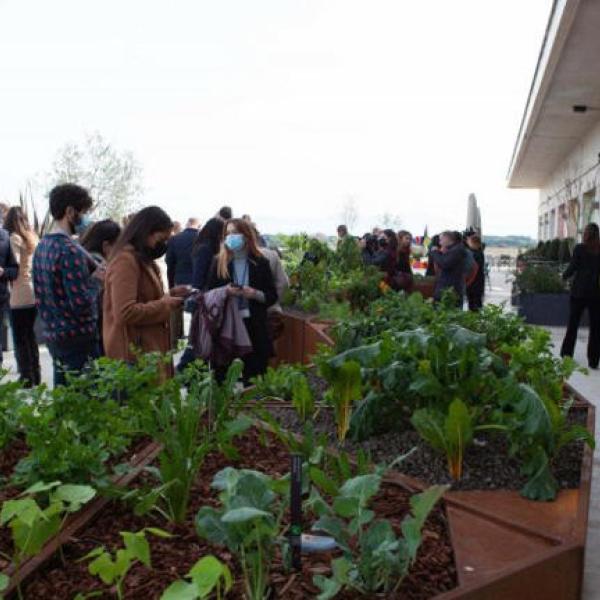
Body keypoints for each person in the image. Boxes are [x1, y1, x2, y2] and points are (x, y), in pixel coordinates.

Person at [103, 207, 187, 375]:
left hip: (148, 352)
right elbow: (125, 312)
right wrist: (165, 304)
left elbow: (144, 298)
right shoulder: (125, 262)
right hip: (135, 356)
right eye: (161, 239)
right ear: (146, 232)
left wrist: (169, 295)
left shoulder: (142, 259)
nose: (163, 245)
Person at [32, 183, 101, 386]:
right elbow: (80, 303)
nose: (86, 218)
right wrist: (96, 281)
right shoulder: (69, 250)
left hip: (53, 334)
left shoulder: (43, 246)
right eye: (84, 212)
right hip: (77, 337)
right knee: (86, 402)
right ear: (70, 211)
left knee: (64, 400)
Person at [206, 218, 277, 381]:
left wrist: (254, 294)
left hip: (254, 325)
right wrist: (225, 291)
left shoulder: (260, 262)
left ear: (246, 236)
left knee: (255, 377)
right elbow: (208, 294)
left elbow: (272, 296)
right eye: (228, 233)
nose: (231, 237)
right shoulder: (218, 262)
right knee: (221, 378)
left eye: (235, 233)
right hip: (226, 326)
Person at [5, 207, 40, 386]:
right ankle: (36, 374)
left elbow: (15, 267)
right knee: (30, 336)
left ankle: (26, 378)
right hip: (32, 291)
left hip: (19, 294)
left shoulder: (14, 238)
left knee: (20, 338)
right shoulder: (33, 237)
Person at [561, 223, 600, 369]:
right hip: (595, 294)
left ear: (586, 234)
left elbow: (572, 268)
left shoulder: (580, 249)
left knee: (573, 325)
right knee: (596, 328)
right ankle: (594, 360)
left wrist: (563, 277)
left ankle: (566, 354)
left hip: (578, 293)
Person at [80, 219, 122, 354]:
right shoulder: (99, 264)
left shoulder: (83, 256)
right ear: (106, 245)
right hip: (96, 329)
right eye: (118, 246)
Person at [166, 217, 200, 346]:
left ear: (187, 224)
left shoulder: (175, 239)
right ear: (197, 225)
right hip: (196, 281)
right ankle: (193, 341)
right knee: (196, 313)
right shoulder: (200, 238)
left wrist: (171, 284)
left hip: (179, 280)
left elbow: (170, 262)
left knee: (175, 311)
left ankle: (174, 340)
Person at [429, 230, 467, 306]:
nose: (440, 243)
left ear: (446, 239)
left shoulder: (457, 250)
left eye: (441, 240)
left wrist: (435, 252)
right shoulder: (455, 249)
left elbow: (445, 263)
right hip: (449, 288)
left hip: (450, 289)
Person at [465, 234, 485, 311]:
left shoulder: (475, 253)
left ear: (475, 243)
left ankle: (474, 317)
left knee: (473, 300)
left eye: (469, 242)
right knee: (476, 300)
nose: (468, 244)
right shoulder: (479, 252)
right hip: (478, 280)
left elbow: (473, 267)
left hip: (474, 280)